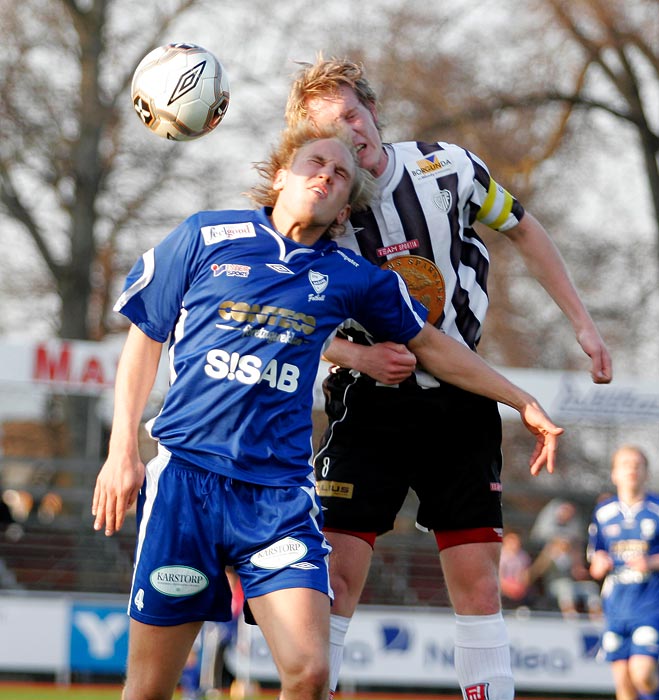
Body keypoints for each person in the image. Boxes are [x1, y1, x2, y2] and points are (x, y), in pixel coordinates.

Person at [91, 123, 563, 700]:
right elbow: (145, 337)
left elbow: (436, 346)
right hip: (189, 483)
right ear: (283, 175)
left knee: (310, 671)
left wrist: (521, 400)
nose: (326, 175)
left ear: (345, 212)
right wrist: (121, 454)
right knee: (147, 690)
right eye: (316, 162)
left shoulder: (352, 278)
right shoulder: (206, 236)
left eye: (341, 175)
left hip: (279, 498)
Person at [284, 56, 613, 700]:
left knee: (479, 586)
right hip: (367, 406)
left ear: (372, 110)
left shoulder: (448, 168)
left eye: (353, 115)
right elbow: (291, 319)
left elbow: (523, 228)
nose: (350, 134)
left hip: (460, 398)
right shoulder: (321, 212)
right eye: (331, 128)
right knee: (337, 583)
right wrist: (357, 358)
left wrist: (582, 322)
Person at [587, 445, 659, 700]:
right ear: (614, 473)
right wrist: (599, 563)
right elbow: (594, 559)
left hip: (649, 606)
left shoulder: (656, 509)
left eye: (637, 464)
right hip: (616, 607)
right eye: (625, 464)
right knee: (623, 684)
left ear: (646, 473)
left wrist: (650, 563)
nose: (632, 469)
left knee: (642, 674)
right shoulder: (603, 512)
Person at [499, 530, 532, 609]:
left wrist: (520, 585)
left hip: (517, 589)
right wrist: (508, 587)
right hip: (502, 589)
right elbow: (497, 577)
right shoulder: (499, 555)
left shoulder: (523, 556)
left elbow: (525, 576)